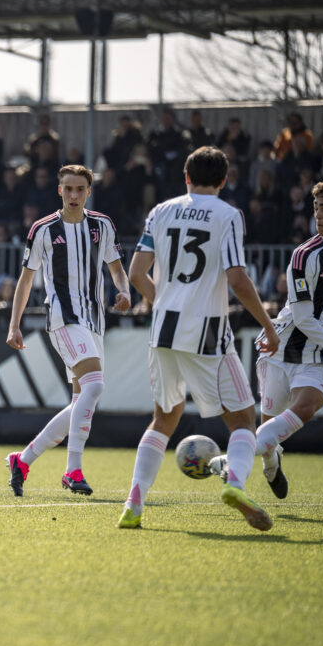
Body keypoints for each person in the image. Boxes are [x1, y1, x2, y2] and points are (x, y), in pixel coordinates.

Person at [119, 146, 280, 531]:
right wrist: (269, 325)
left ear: (186, 177)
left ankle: (134, 501)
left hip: (162, 329)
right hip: (206, 329)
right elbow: (238, 279)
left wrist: (164, 304)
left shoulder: (161, 211)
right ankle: (236, 484)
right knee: (243, 418)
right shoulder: (228, 215)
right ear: (224, 180)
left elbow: (138, 273)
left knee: (163, 418)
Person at [208, 179, 323, 498]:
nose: (318, 216)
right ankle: (271, 466)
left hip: (321, 354)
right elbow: (303, 318)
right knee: (270, 441)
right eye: (315, 209)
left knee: (305, 407)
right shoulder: (304, 255)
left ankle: (230, 461)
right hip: (282, 346)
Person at [5, 164, 132, 497]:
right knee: (95, 386)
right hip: (63, 318)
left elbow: (117, 269)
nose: (74, 195)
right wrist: (14, 324)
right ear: (59, 191)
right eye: (68, 189)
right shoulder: (43, 229)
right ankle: (72, 470)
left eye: (80, 189)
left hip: (94, 321)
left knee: (80, 401)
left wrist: (125, 290)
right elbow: (27, 278)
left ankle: (23, 459)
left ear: (89, 192)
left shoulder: (102, 225)